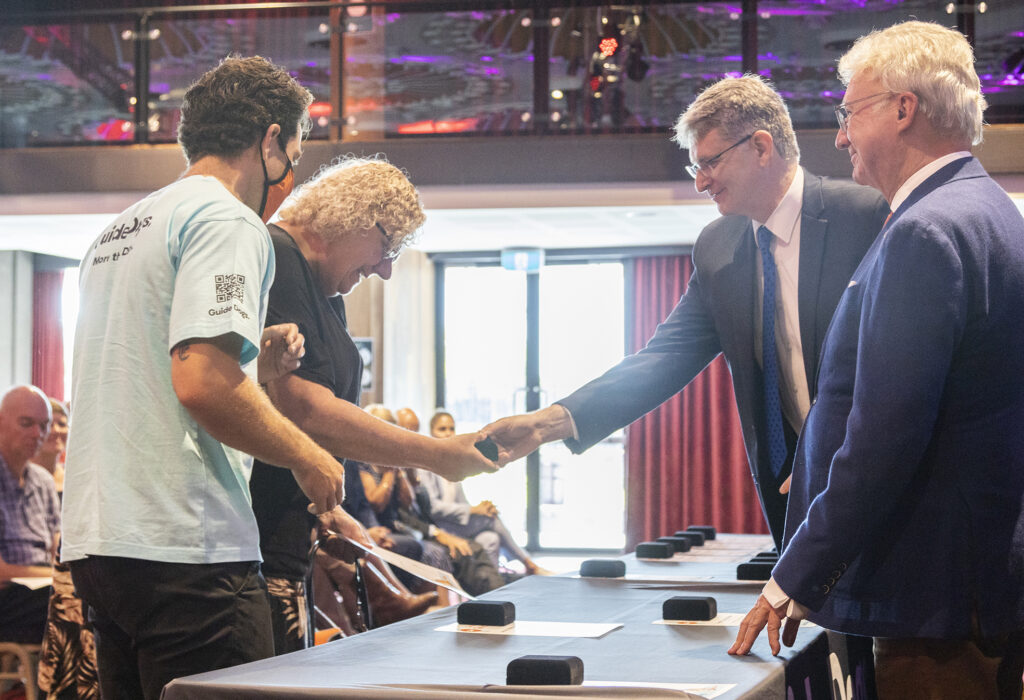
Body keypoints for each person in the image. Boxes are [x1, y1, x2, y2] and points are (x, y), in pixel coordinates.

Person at [728, 21, 1024, 699]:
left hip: (935, 599)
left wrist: (791, 579)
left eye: (849, 113)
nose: (839, 136)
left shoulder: (927, 230)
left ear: (902, 108)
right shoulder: (990, 212)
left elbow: (885, 436)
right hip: (976, 587)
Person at [61, 56, 370, 700]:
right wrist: (309, 457)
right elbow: (202, 381)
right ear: (269, 141)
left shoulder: (119, 230)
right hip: (186, 551)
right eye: (293, 149)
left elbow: (145, 364)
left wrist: (256, 354)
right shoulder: (228, 220)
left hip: (99, 545)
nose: (290, 171)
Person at [483, 75, 889, 549]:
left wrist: (830, 443)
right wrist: (544, 423)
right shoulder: (718, 248)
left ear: (761, 147)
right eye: (694, 167)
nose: (700, 183)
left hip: (874, 482)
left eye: (710, 162)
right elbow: (662, 361)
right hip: (790, 501)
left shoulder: (865, 215)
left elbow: (896, 363)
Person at [248, 156, 496, 654]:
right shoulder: (276, 257)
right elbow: (306, 410)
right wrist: (436, 454)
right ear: (352, 217)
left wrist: (328, 507)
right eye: (388, 247)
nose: (385, 269)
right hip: (255, 543)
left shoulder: (324, 289)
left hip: (287, 540)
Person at [420, 410, 551, 576]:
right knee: (490, 519)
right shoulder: (425, 467)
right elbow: (434, 508)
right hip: (440, 525)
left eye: (451, 428)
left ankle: (491, 591)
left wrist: (479, 507)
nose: (448, 433)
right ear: (431, 432)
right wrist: (474, 511)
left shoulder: (453, 463)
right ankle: (528, 563)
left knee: (490, 539)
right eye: (442, 429)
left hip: (457, 522)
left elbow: (462, 502)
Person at [0, 385, 58, 645]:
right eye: (26, 423)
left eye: (44, 425)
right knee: (64, 602)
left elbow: (58, 550)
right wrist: (55, 577)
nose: (38, 433)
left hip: (41, 589)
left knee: (96, 599)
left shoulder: (44, 482)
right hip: (9, 599)